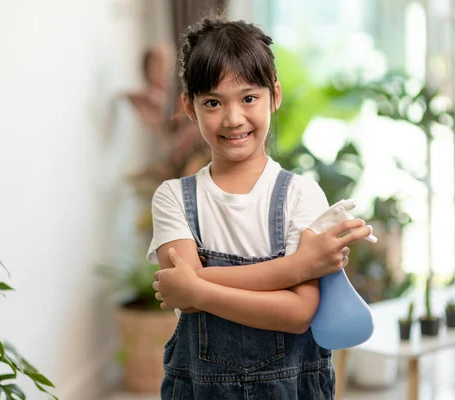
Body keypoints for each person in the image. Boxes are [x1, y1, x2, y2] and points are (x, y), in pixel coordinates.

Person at [147, 17, 373, 399]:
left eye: (248, 98)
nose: (233, 118)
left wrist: (198, 290)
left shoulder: (301, 195)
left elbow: (298, 314)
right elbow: (180, 291)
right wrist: (296, 268)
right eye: (213, 102)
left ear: (275, 96)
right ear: (189, 106)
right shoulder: (173, 197)